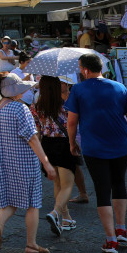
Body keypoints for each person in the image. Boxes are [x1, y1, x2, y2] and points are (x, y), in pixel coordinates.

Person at [65, 52, 127, 253]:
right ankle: (121, 229)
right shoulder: (119, 87)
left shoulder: (78, 89)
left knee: (102, 190)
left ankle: (110, 239)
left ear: (85, 69)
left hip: (94, 148)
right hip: (120, 146)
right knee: (119, 184)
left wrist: (71, 143)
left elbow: (71, 122)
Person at [0, 75, 56, 253]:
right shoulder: (20, 108)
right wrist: (47, 164)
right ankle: (31, 244)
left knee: (10, 200)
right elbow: (32, 139)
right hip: (25, 161)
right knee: (33, 204)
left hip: (5, 162)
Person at [31, 75, 82, 236]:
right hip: (64, 144)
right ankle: (55, 213)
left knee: (58, 184)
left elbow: (37, 129)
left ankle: (65, 218)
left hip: (46, 144)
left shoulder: (37, 106)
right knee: (67, 185)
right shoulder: (66, 105)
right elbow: (73, 125)